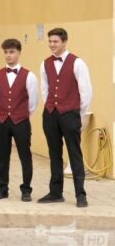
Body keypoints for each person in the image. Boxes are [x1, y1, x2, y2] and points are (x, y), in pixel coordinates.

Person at [38, 28, 92, 208]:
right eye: (50, 41)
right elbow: (44, 89)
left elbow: (86, 91)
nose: (52, 45)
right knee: (54, 154)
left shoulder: (77, 63)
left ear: (64, 42)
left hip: (70, 113)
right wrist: (49, 108)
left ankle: (80, 195)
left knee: (75, 153)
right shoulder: (44, 64)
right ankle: (55, 193)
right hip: (51, 114)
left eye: (56, 41)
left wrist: (77, 111)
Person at [0, 38, 38, 202]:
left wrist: (22, 114)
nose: (8, 55)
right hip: (2, 120)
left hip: (21, 120)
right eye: (6, 52)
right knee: (2, 156)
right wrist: (7, 112)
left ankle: (26, 189)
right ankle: (2, 188)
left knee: (25, 155)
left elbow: (33, 101)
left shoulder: (29, 75)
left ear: (19, 53)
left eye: (11, 52)